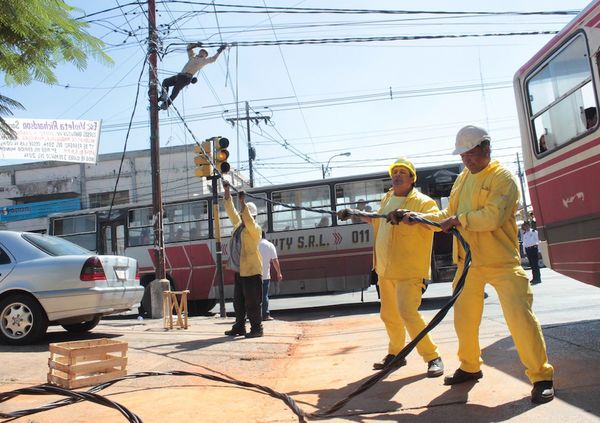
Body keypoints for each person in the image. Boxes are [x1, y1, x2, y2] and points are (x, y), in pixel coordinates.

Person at [401, 125, 554, 404]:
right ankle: (470, 367)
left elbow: (492, 216)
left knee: (521, 319)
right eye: (462, 155)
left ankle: (541, 377)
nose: (466, 160)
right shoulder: (462, 180)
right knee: (464, 321)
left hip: (502, 262)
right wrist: (416, 217)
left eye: (470, 153)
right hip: (468, 264)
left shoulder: (503, 178)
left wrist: (459, 219)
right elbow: (447, 214)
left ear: (486, 148)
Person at [338, 157, 444, 378]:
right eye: (394, 172)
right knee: (389, 315)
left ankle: (433, 357)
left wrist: (410, 216)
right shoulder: (387, 199)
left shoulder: (423, 202)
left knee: (407, 312)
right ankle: (396, 354)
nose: (396, 176)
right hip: (384, 270)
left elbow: (437, 222)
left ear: (412, 179)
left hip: (409, 271)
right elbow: (377, 220)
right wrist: (354, 214)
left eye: (402, 173)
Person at [222, 180, 264, 338]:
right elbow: (230, 210)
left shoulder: (255, 230)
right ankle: (239, 326)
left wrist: (242, 202)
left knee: (252, 303)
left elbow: (247, 218)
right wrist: (227, 191)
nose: (243, 217)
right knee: (238, 302)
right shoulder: (238, 227)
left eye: (247, 216)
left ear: (252, 217)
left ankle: (257, 328)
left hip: (252, 272)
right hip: (240, 271)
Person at [158, 43, 226, 110]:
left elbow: (213, 59)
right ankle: (164, 96)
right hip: (180, 75)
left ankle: (166, 104)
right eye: (201, 51)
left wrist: (220, 50)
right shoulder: (192, 57)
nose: (202, 53)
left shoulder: (204, 61)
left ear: (206, 55)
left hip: (186, 78)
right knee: (165, 82)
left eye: (204, 53)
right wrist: (196, 45)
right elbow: (188, 47)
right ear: (199, 52)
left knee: (175, 90)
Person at [258, 231, 283, 321]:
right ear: (265, 236)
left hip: (254, 274)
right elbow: (275, 261)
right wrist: (279, 273)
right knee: (264, 295)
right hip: (265, 275)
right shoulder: (269, 245)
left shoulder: (253, 245)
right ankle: (265, 315)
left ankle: (254, 315)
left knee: (254, 295)